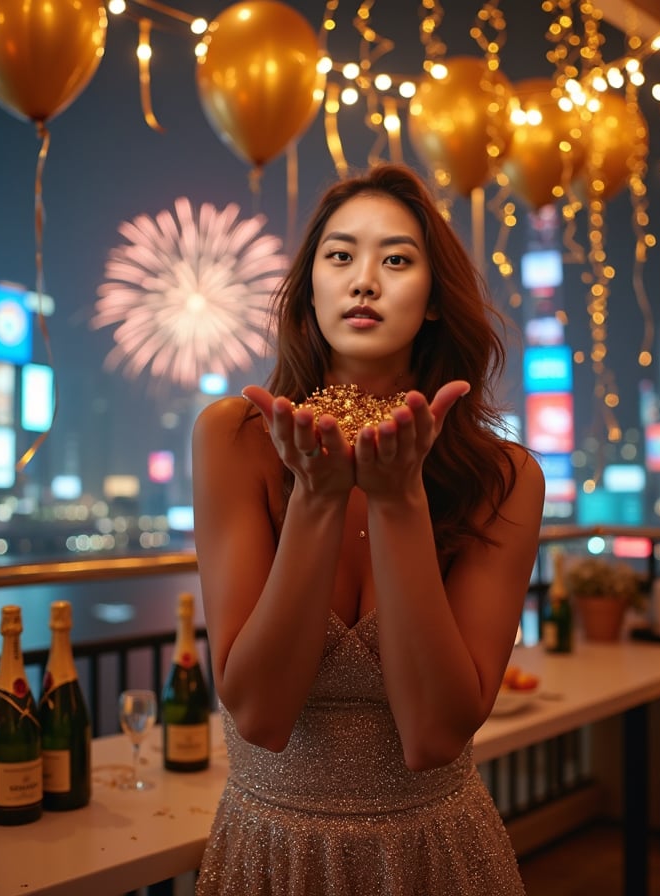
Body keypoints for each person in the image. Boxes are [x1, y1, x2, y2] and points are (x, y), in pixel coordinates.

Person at [191, 163, 545, 895]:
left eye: (397, 260)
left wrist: (398, 501)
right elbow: (258, 714)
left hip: (436, 856)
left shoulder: (504, 476)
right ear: (309, 288)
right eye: (340, 256)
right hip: (270, 856)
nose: (364, 282)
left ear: (435, 299)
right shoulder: (235, 438)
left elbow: (435, 735)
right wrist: (317, 499)